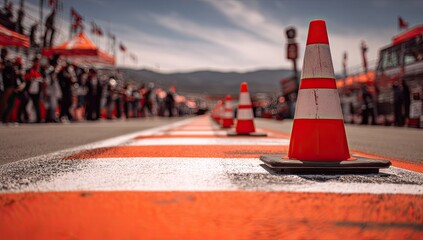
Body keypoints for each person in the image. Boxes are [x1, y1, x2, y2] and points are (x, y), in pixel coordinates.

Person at [0, 48, 17, 122]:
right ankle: (2, 118)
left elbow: (12, 74)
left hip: (8, 85)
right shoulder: (3, 61)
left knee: (9, 102)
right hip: (5, 85)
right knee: (3, 102)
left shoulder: (7, 63)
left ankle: (4, 118)